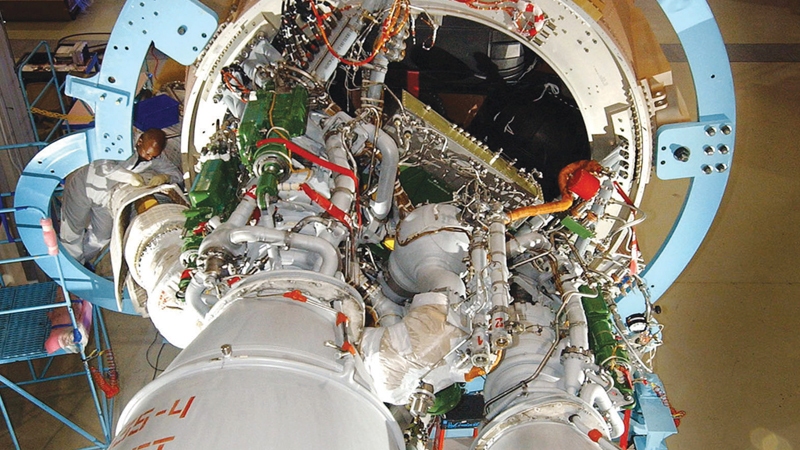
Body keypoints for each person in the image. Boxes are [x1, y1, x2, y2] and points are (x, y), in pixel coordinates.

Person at [60, 128, 183, 265]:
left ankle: (79, 263)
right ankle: (69, 267)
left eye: (153, 157)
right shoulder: (120, 140)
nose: (149, 158)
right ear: (140, 141)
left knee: (103, 235)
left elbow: (177, 175)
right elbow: (103, 166)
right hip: (84, 186)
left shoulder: (154, 156)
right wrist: (129, 177)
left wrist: (166, 177)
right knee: (72, 232)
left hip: (106, 196)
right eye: (148, 154)